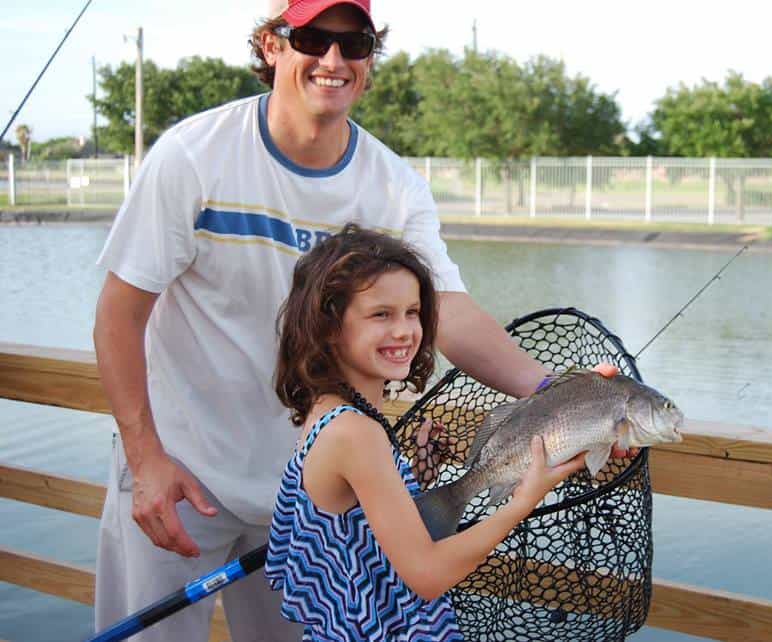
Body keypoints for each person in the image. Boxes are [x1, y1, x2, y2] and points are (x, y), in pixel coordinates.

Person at [91, 0, 607, 639]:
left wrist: (556, 393)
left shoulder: (393, 184)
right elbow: (118, 314)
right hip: (181, 472)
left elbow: (447, 310)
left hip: (313, 491)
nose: (333, 60)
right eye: (311, 37)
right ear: (272, 44)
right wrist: (145, 459)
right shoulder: (192, 156)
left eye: (355, 42)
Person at [264, 225, 586, 641]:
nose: (404, 331)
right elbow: (427, 575)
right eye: (381, 314)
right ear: (328, 326)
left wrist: (408, 477)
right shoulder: (356, 433)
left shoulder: (327, 409)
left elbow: (353, 523)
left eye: (412, 313)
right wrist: (523, 499)